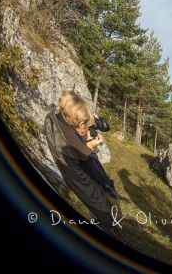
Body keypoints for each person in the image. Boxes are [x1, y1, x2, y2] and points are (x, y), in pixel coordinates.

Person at [43, 90, 122, 239]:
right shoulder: (76, 147)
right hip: (82, 181)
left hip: (70, 172)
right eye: (83, 124)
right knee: (105, 212)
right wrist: (90, 145)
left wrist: (84, 126)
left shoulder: (54, 118)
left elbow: (71, 137)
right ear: (79, 123)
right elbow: (87, 160)